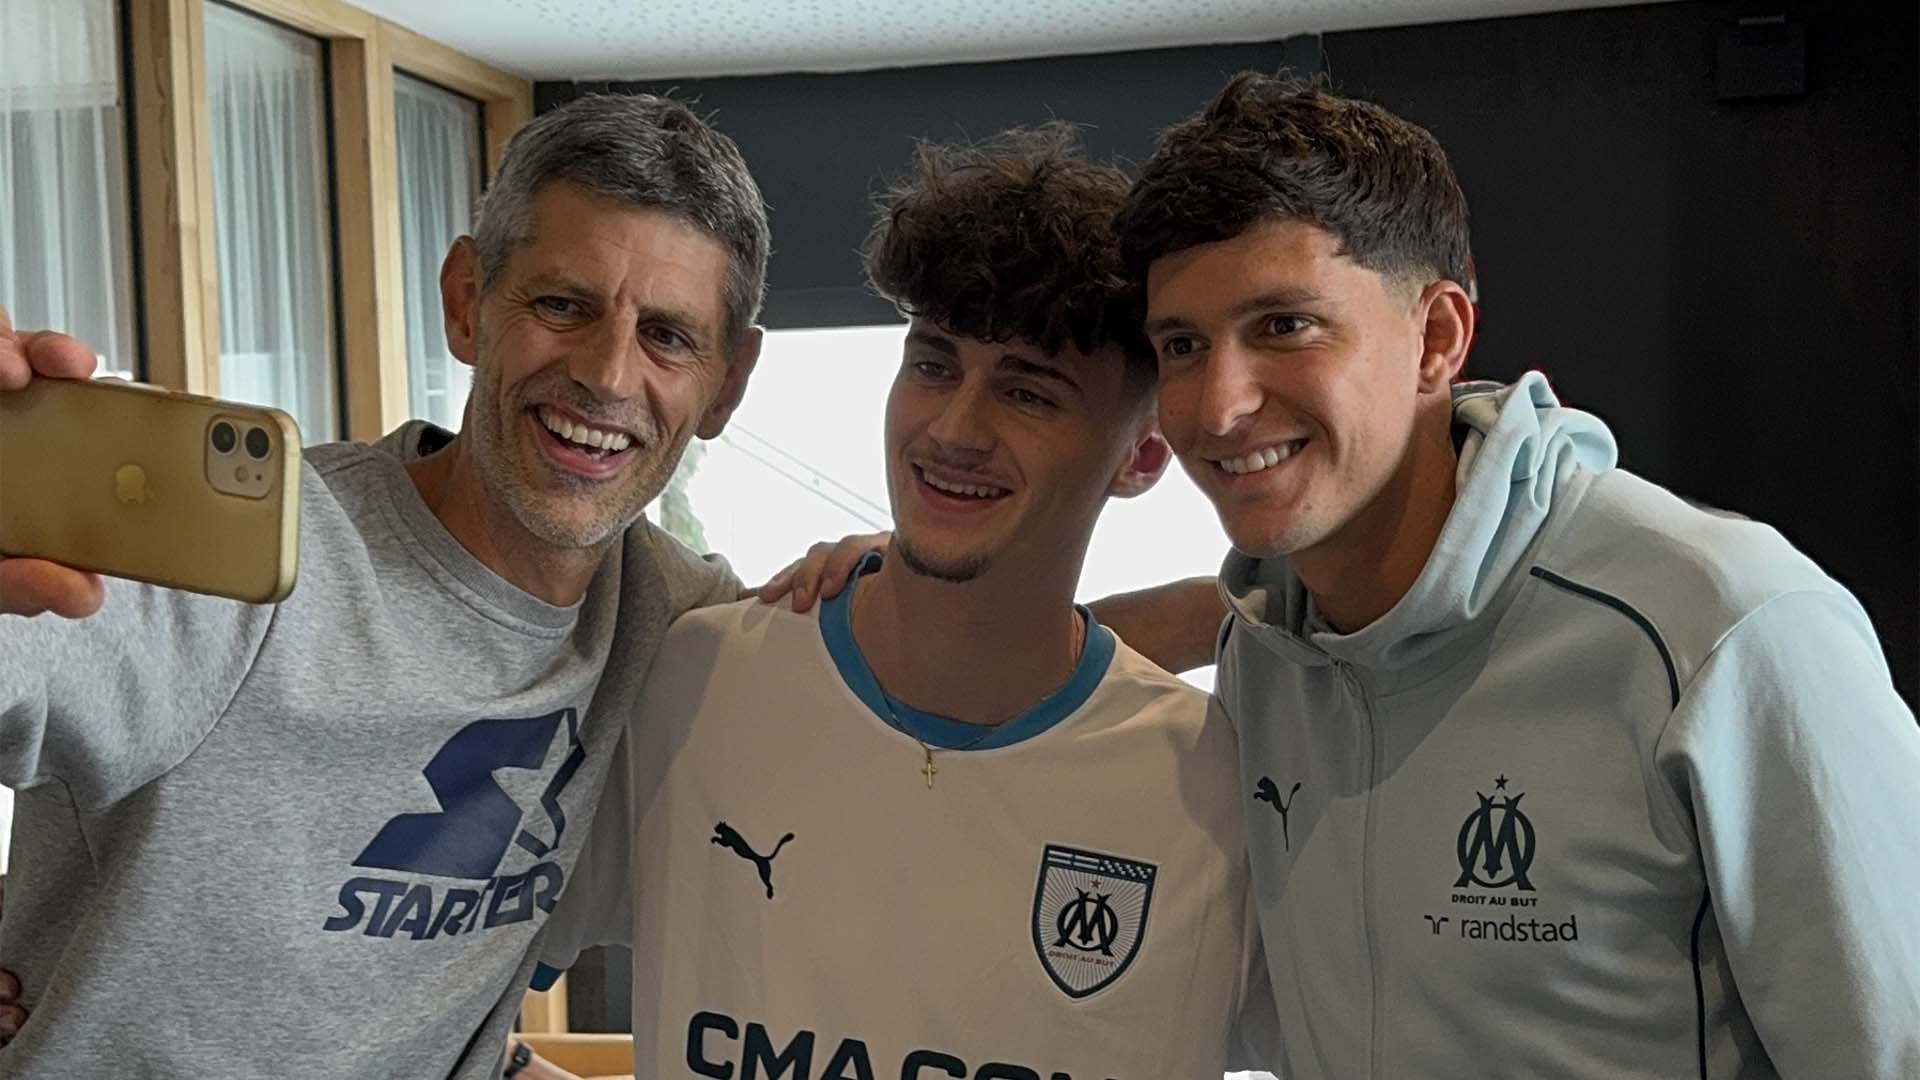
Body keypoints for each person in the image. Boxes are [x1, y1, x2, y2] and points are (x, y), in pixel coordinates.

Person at [1109, 72, 1920, 1078]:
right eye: (1182, 346)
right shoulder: (1267, 652)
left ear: (1438, 338)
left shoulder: (1725, 625)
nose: (1219, 405)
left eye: (1285, 325)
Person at [0, 93, 781, 1079]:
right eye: (561, 305)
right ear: (468, 302)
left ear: (729, 383)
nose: (608, 376)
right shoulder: (235, 567)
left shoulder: (675, 625)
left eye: (668, 335)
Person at [538, 126, 1277, 1079]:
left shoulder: (1214, 782)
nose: (954, 431)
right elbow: (446, 970)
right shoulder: (692, 680)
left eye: (1031, 393)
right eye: (932, 364)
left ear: (1141, 456)